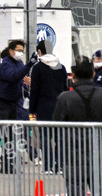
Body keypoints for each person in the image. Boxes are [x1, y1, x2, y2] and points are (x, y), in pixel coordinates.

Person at [53, 56, 102, 196]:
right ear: (93, 73)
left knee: (75, 190)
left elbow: (57, 123)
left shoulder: (65, 98)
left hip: (73, 156)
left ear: (73, 74)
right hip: (101, 154)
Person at [0, 41, 36, 173]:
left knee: (11, 134)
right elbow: (13, 77)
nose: (21, 53)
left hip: (13, 102)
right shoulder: (5, 64)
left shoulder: (19, 64)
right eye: (18, 50)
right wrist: (29, 65)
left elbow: (20, 79)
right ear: (11, 51)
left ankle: (7, 164)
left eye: (22, 50)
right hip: (1, 102)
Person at [28, 40, 69, 174]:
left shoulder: (38, 68)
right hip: (60, 106)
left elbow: (34, 90)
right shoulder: (61, 67)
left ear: (39, 51)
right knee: (60, 137)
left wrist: (32, 109)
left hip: (43, 106)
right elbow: (65, 88)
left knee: (45, 137)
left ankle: (48, 167)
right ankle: (60, 166)